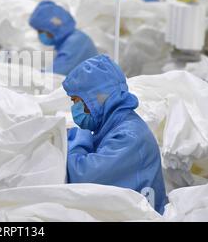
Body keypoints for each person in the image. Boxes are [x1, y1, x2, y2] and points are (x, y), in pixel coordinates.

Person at [62, 54, 167, 214]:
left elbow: (82, 177)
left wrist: (80, 136)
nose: (74, 107)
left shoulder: (130, 136)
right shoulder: (112, 126)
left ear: (96, 98)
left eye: (77, 100)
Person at [29, 1, 98, 76]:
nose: (40, 35)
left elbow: (56, 75)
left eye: (41, 31)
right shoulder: (71, 40)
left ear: (54, 27)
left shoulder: (75, 43)